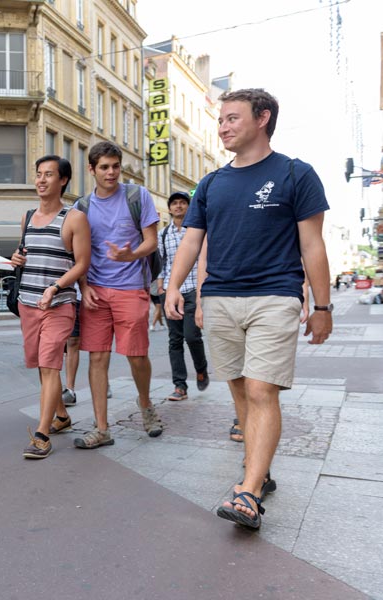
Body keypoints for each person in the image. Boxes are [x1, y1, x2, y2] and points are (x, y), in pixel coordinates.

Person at [165, 88, 333, 530]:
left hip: (274, 296)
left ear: (263, 118)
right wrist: (174, 287)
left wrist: (323, 305)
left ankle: (249, 491)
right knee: (239, 388)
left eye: (232, 118)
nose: (222, 126)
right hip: (220, 297)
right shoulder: (212, 183)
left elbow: (312, 243)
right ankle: (260, 466)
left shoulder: (296, 174)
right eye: (220, 119)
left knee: (262, 391)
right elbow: (193, 240)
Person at [73, 141, 164, 450]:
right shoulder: (81, 207)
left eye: (115, 166)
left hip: (130, 288)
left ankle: (146, 404)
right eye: (104, 167)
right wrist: (83, 287)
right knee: (97, 357)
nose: (111, 173)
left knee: (136, 356)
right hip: (95, 291)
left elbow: (151, 241)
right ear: (92, 169)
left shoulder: (137, 196)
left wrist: (131, 255)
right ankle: (101, 428)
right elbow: (78, 253)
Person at [10, 155, 91, 459]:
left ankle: (42, 435)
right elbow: (24, 254)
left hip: (59, 304)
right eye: (39, 174)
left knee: (49, 365)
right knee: (41, 367)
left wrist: (56, 287)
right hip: (28, 304)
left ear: (63, 180)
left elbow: (82, 263)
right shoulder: (28, 216)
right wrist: (17, 259)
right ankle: (61, 416)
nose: (41, 180)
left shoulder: (74, 218)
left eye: (49, 175)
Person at [156, 191, 210, 401]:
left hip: (192, 290)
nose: (178, 206)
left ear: (188, 207)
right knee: (174, 340)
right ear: (170, 209)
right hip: (171, 291)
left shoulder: (196, 232)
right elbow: (162, 263)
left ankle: (201, 368)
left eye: (182, 203)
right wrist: (162, 287)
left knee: (192, 336)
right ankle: (180, 385)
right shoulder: (163, 234)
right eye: (174, 203)